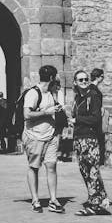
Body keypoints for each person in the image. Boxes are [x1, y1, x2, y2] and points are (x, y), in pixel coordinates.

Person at [22, 65, 64, 213]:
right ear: (52, 78)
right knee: (34, 167)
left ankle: (53, 199)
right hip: (35, 137)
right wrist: (47, 112)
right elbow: (26, 115)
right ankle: (35, 200)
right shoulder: (33, 93)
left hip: (51, 136)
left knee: (51, 166)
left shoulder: (52, 93)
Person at [71, 70, 110, 216]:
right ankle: (96, 200)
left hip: (90, 139)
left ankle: (95, 204)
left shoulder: (92, 96)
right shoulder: (77, 98)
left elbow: (96, 119)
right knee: (85, 171)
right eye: (80, 80)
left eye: (86, 79)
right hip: (79, 139)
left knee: (92, 171)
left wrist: (77, 120)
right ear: (75, 82)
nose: (84, 82)